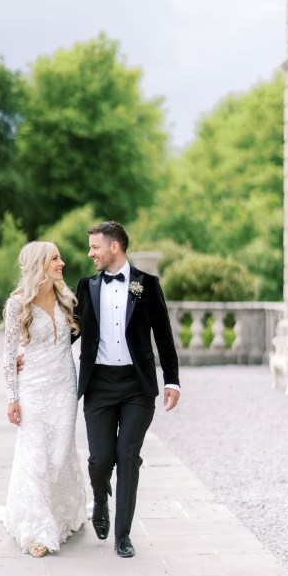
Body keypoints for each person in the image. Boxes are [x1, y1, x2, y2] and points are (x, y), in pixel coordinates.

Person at [75, 221, 180, 558]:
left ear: (114, 247)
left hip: (137, 387)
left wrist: (172, 380)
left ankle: (123, 536)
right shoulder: (86, 286)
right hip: (100, 385)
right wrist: (31, 354)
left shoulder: (146, 285)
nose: (91, 253)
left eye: (95, 247)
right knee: (99, 459)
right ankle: (100, 498)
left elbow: (163, 334)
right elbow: (71, 332)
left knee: (127, 458)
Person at [0, 241, 87, 558]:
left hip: (64, 387)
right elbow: (8, 354)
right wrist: (12, 397)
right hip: (33, 389)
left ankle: (60, 513)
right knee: (36, 456)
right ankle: (37, 530)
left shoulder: (66, 298)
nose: (62, 263)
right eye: (56, 258)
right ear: (40, 264)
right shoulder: (18, 304)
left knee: (60, 453)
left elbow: (85, 333)